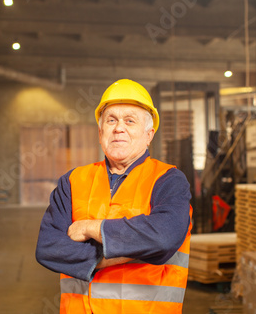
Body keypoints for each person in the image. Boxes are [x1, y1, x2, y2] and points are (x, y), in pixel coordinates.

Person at [35, 79, 192, 314]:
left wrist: (91, 229)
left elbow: (163, 237)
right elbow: (48, 248)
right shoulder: (73, 181)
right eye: (111, 120)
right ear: (100, 133)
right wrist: (132, 249)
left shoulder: (168, 180)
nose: (119, 128)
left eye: (130, 121)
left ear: (149, 135)